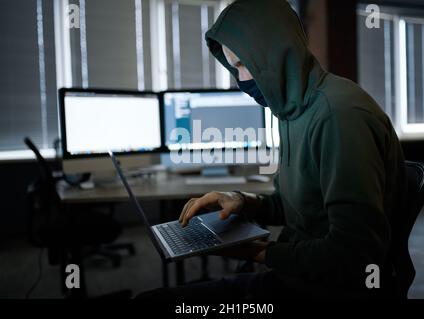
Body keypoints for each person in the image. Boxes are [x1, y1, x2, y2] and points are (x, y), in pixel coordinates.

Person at [137, 0, 407, 299]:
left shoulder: (338, 116)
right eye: (233, 67)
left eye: (243, 64)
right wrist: (241, 200)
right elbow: (295, 208)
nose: (240, 80)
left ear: (276, 53)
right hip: (299, 274)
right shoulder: (292, 110)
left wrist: (255, 252)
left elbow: (355, 257)